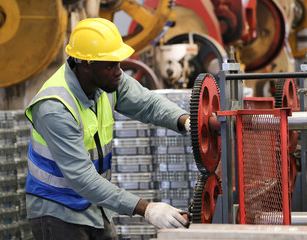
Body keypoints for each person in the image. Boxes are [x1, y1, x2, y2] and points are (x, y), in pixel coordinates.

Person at [25, 18, 191, 240]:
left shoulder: (106, 82)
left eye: (119, 63)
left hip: (95, 205)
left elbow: (148, 103)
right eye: (111, 65)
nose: (118, 71)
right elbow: (82, 178)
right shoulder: (55, 108)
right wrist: (147, 209)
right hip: (58, 212)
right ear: (86, 64)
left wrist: (186, 120)